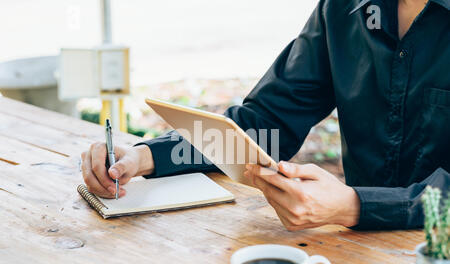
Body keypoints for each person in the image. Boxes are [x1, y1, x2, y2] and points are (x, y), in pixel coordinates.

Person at [81, 0, 450, 231]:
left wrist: (356, 206)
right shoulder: (340, 10)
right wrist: (145, 156)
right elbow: (269, 123)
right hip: (353, 246)